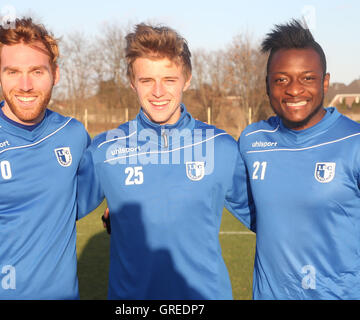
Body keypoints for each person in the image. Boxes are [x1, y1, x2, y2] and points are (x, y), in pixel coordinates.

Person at [77, 23, 254, 300]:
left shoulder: (221, 148)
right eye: (147, 80)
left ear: (187, 78)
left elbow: (272, 219)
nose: (158, 91)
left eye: (169, 79)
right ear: (132, 82)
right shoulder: (105, 149)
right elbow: (53, 213)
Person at [0, 18, 90, 299]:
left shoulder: (74, 135)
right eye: (13, 72)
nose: (26, 85)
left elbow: (101, 188)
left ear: (55, 73)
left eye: (37, 71)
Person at [238, 19, 360, 299]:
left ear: (325, 82)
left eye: (308, 78)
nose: (294, 90)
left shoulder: (353, 142)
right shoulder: (252, 141)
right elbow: (207, 182)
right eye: (281, 79)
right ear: (267, 85)